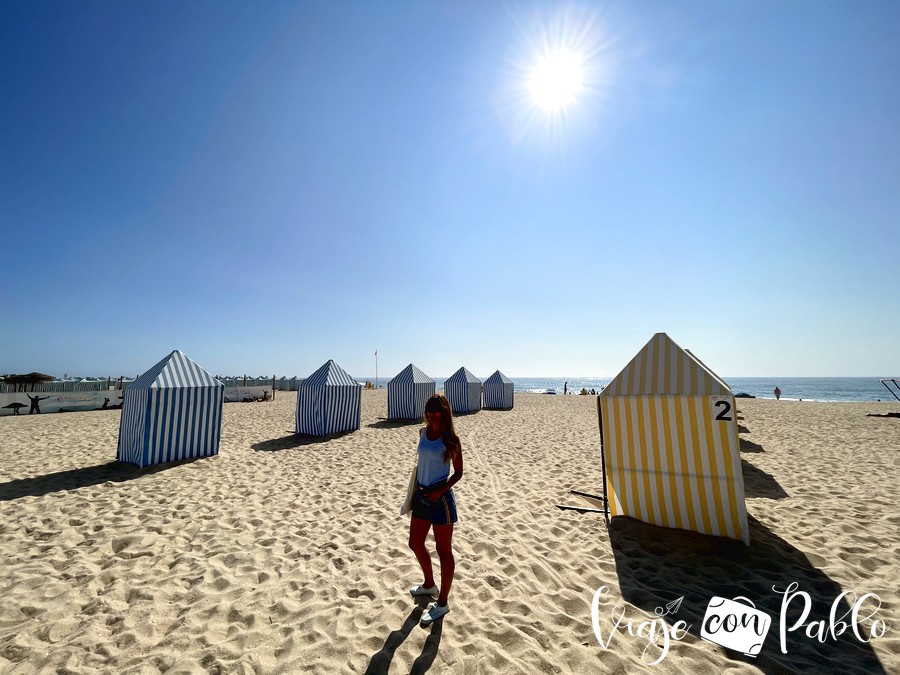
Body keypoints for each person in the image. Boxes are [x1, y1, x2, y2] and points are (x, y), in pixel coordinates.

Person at [408, 393, 464, 626]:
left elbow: (458, 473)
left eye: (436, 410)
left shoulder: (451, 439)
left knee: (444, 552)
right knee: (415, 543)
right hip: (421, 496)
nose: (431, 414)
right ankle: (429, 584)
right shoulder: (422, 433)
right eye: (428, 410)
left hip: (440, 500)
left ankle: (442, 602)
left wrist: (440, 490)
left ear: (444, 411)